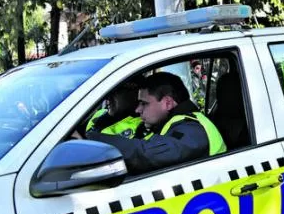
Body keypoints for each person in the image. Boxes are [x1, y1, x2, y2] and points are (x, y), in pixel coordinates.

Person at [86, 72, 226, 174]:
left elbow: (146, 154)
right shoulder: (169, 123)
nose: (138, 109)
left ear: (167, 103)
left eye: (144, 103)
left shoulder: (192, 129)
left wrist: (89, 141)